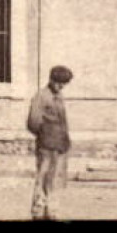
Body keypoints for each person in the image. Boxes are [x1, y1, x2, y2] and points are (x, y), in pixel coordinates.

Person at [27, 65, 73, 221]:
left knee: (56, 181)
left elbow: (63, 122)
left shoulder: (59, 97)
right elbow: (33, 122)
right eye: (59, 83)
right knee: (43, 179)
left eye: (64, 83)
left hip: (60, 146)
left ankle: (51, 212)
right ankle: (38, 213)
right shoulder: (41, 96)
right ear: (51, 80)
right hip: (46, 147)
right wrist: (46, 136)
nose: (61, 86)